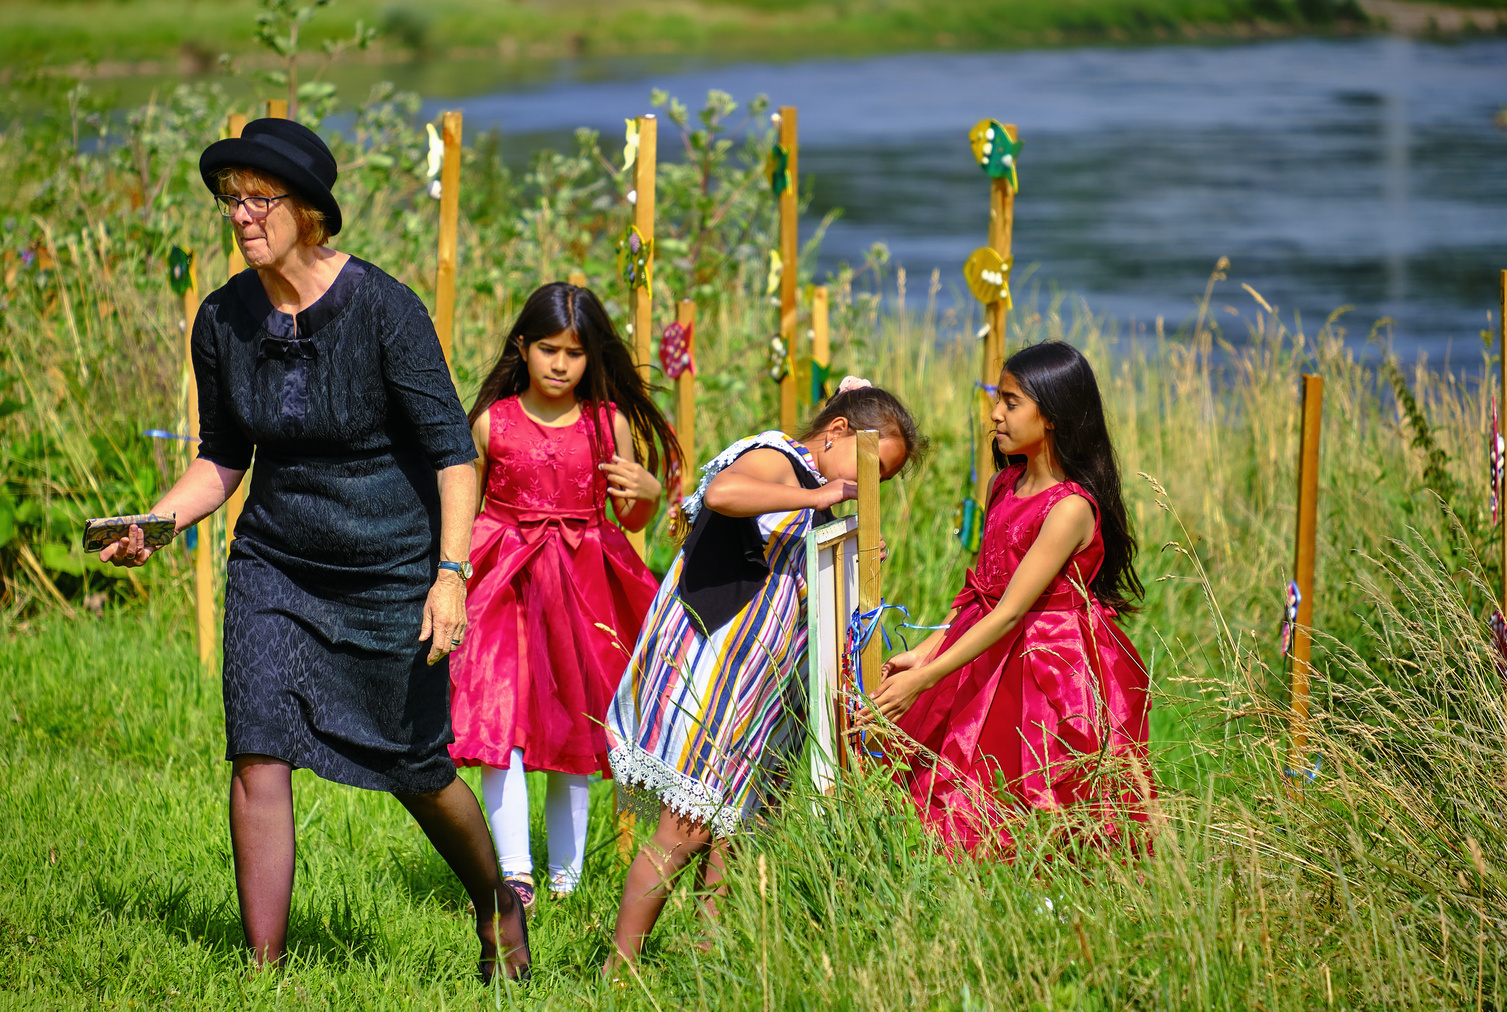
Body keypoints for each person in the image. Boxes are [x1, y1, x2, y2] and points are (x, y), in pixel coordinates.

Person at [101, 118, 528, 979]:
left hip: (391, 568)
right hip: (275, 562)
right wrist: (156, 522)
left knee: (415, 765)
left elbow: (454, 453)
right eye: (231, 199)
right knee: (257, 744)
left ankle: (497, 904)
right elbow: (222, 457)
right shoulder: (222, 319)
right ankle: (264, 975)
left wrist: (450, 578)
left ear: (309, 212)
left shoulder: (383, 309)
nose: (241, 215)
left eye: (260, 199)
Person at [602, 379, 925, 969]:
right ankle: (617, 975)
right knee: (687, 826)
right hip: (711, 663)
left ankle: (707, 973)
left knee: (737, 836)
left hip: (762, 687)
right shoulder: (780, 458)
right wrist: (823, 494)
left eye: (883, 480)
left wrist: (851, 549)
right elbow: (723, 492)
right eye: (870, 468)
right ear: (836, 433)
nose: (868, 487)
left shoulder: (822, 490)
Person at [870, 340, 1153, 856]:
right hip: (991, 647)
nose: (996, 413)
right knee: (953, 784)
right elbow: (985, 590)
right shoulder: (1005, 483)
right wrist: (929, 650)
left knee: (1030, 790)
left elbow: (1012, 611)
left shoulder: (1068, 509)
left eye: (1011, 401)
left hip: (1047, 666)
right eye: (998, 399)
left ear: (1052, 417)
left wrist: (926, 679)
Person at [448, 283, 678, 908]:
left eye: (574, 354)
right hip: (501, 583)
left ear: (591, 357)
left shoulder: (611, 424)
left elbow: (628, 517)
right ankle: (515, 873)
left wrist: (650, 495)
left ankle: (568, 881)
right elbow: (464, 510)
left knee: (578, 732)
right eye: (547, 349)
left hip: (582, 588)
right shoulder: (490, 423)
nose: (559, 364)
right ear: (522, 347)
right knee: (502, 726)